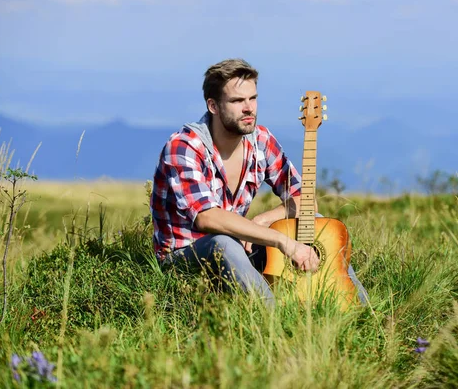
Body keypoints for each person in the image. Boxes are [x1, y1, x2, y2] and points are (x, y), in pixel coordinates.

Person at [150, 58, 368, 307]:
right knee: (223, 243)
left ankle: (360, 312)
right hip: (186, 256)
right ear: (213, 106)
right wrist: (282, 241)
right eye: (237, 101)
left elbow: (303, 198)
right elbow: (207, 218)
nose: (248, 108)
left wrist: (261, 222)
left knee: (316, 220)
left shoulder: (261, 140)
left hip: (239, 249)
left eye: (252, 98)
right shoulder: (185, 146)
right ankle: (276, 321)